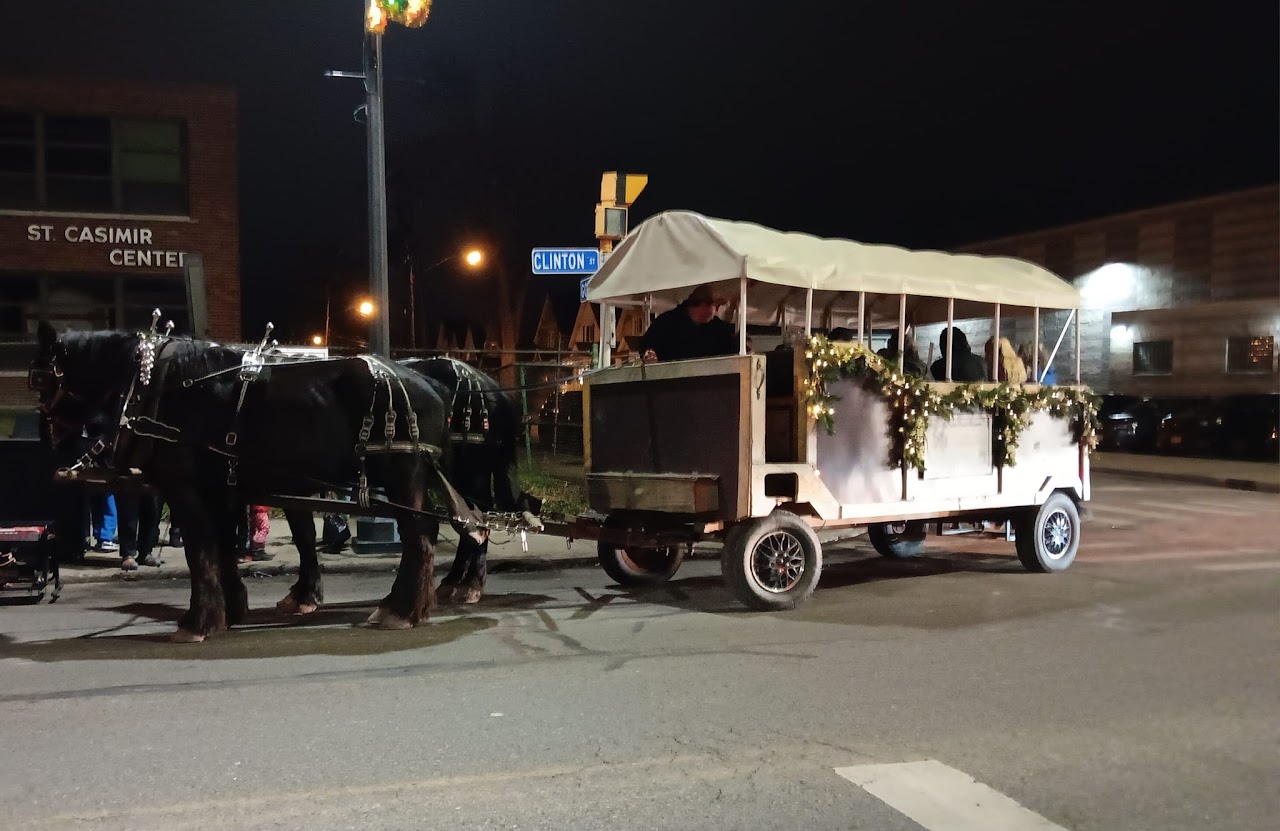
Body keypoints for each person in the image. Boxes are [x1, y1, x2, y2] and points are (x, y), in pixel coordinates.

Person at [640, 285, 738, 363]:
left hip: (709, 385)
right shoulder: (666, 322)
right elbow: (647, 345)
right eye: (716, 306)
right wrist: (649, 353)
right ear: (704, 305)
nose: (717, 311)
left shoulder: (718, 328)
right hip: (671, 384)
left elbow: (732, 346)